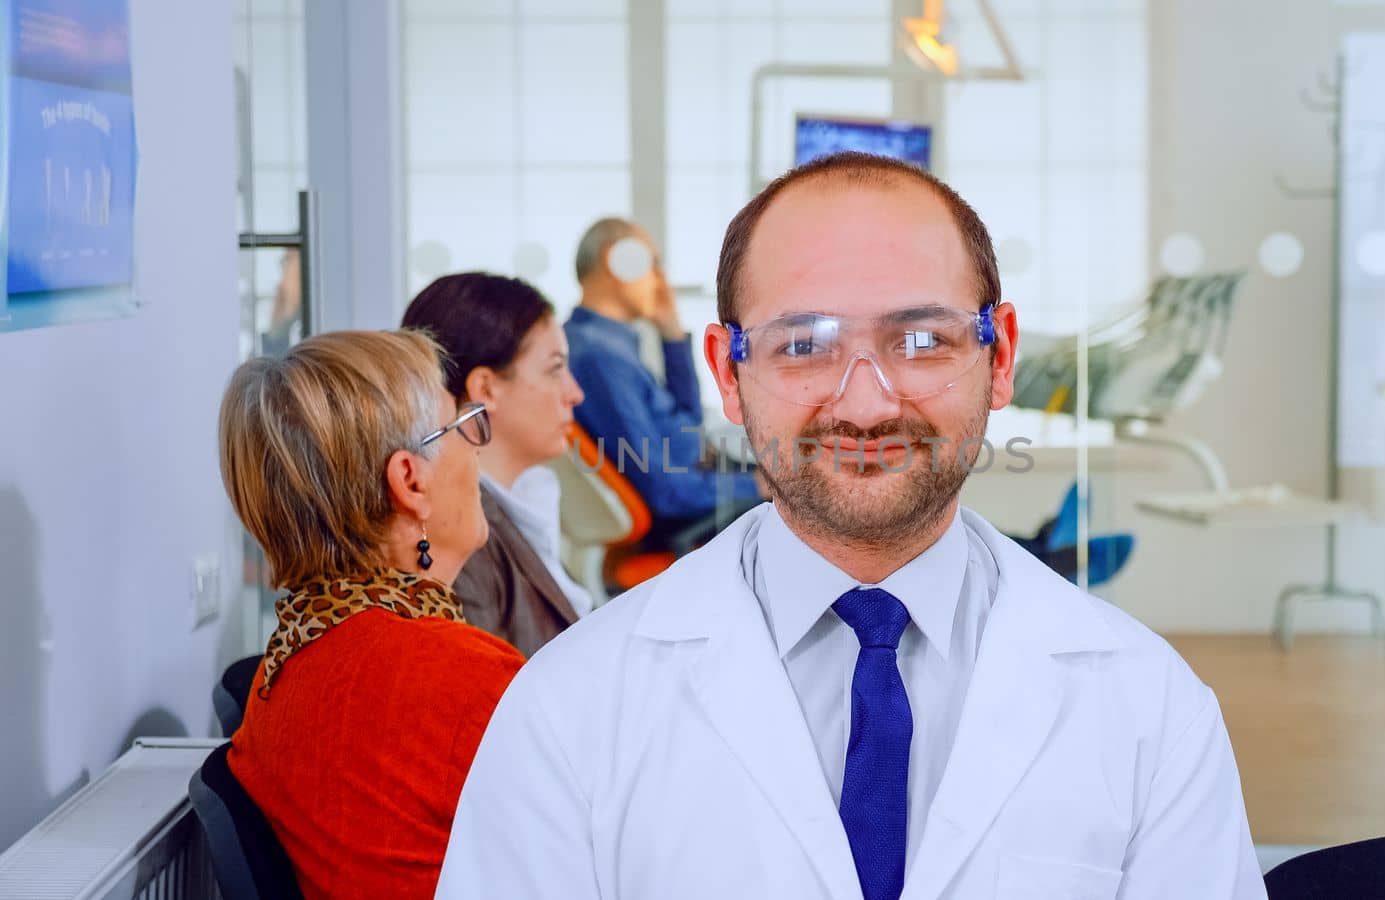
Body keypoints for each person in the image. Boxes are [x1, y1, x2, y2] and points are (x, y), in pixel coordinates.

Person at [437, 154, 1265, 899]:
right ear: (729, 372)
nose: (866, 405)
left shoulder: (1153, 712)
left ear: (1000, 357)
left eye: (921, 339)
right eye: (804, 345)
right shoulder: (568, 709)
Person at [220, 330, 523, 899]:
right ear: (412, 481)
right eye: (462, 425)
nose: (478, 447)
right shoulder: (455, 678)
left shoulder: (284, 665)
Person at [402, 272, 592, 656]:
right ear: (486, 389)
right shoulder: (459, 542)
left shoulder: (521, 507)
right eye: (555, 369)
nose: (575, 393)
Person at [563, 217, 762, 552]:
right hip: (683, 512)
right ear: (618, 261)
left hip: (694, 477)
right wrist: (756, 486)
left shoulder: (608, 343)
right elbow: (664, 490)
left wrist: (671, 334)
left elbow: (689, 422)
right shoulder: (599, 357)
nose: (661, 278)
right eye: (652, 262)